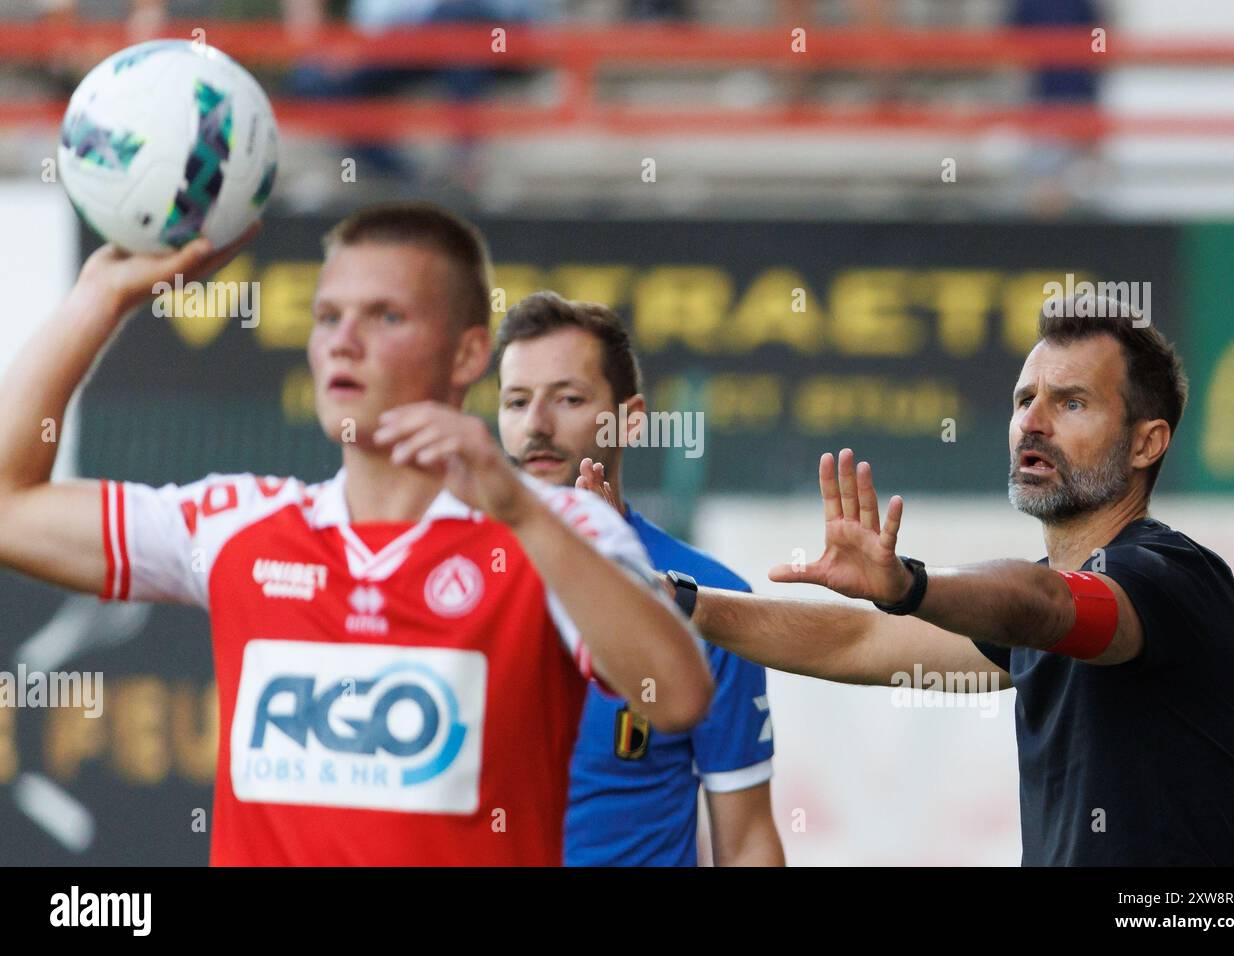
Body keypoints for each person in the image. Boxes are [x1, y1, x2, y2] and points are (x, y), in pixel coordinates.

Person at [0, 202, 712, 866]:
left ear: (468, 355)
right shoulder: (237, 525)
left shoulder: (555, 525)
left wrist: (519, 510)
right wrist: (97, 301)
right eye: (328, 315)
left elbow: (675, 695)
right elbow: (9, 506)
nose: (344, 341)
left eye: (386, 316)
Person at [648, 295, 1234, 866]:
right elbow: (853, 642)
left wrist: (907, 586)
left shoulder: (1176, 578)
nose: (1033, 424)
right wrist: (675, 601)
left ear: (1146, 443)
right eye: (1025, 400)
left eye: (1071, 402)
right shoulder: (1042, 607)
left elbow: (1048, 606)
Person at [496, 291, 783, 866]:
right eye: (516, 402)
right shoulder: (450, 574)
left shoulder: (707, 599)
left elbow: (747, 836)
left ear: (630, 418)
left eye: (568, 398)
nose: (537, 425)